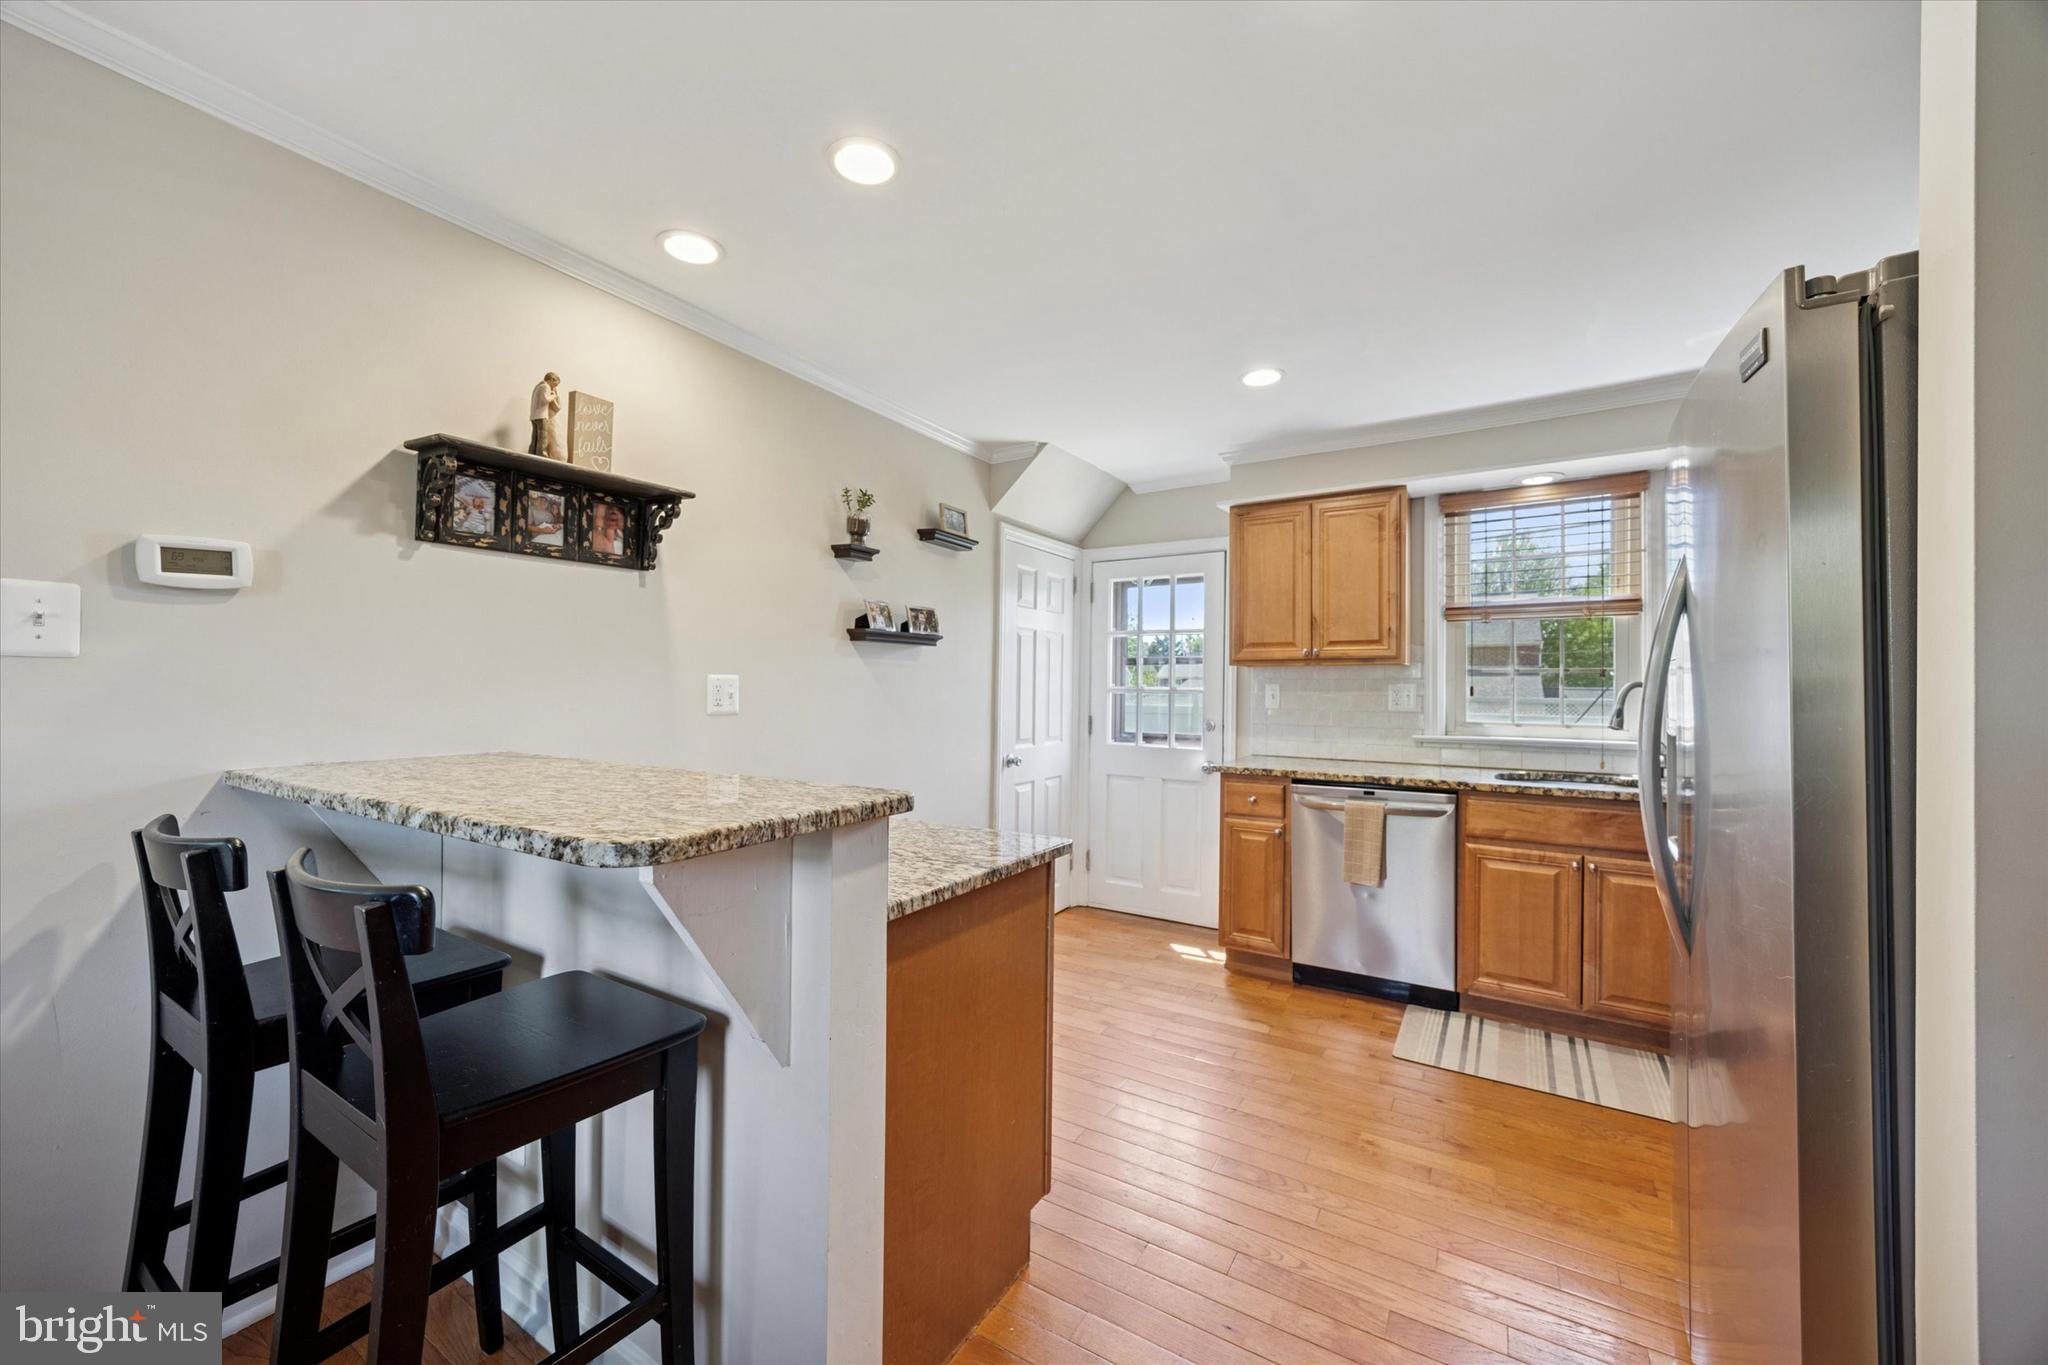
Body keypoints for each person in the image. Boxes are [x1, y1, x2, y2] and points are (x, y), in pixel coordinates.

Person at [529, 372, 562, 459]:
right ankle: (542, 454)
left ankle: (532, 454)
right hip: (541, 415)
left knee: (535, 438)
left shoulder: (538, 387)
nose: (555, 387)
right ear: (552, 379)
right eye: (555, 384)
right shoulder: (545, 386)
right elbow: (546, 399)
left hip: (534, 416)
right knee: (542, 438)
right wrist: (554, 395)